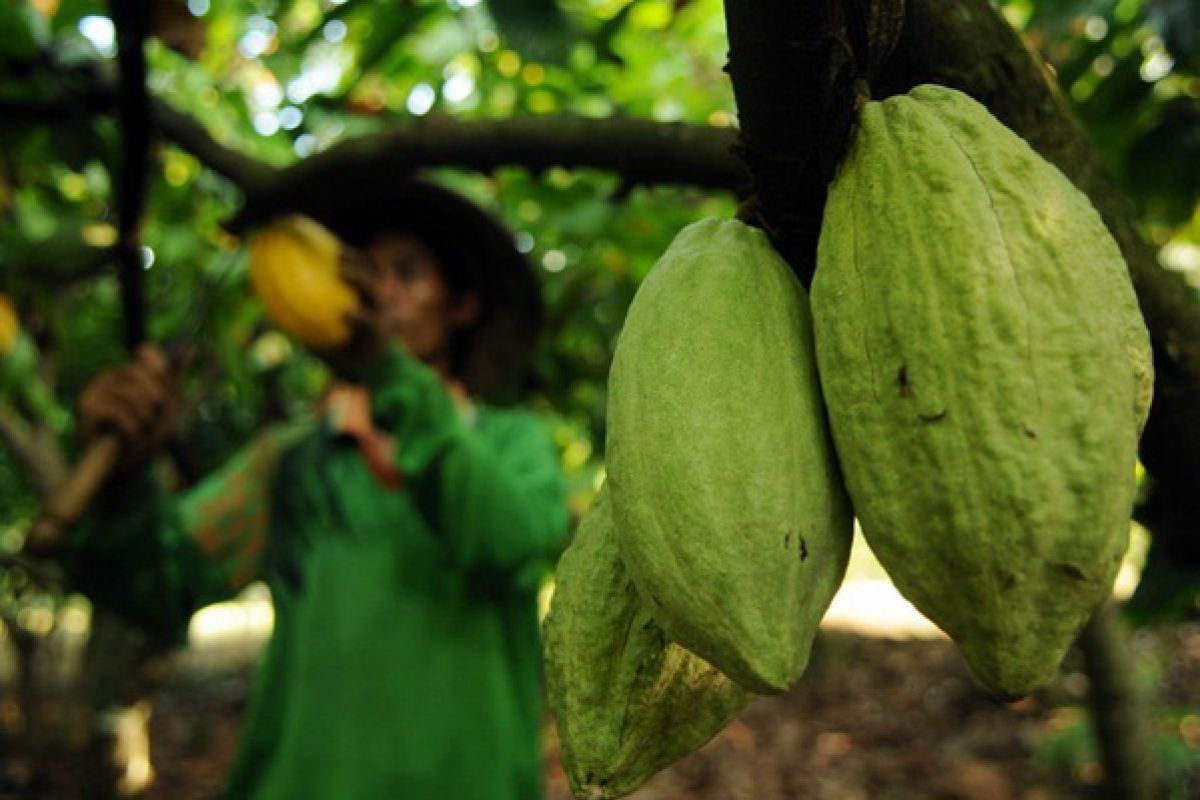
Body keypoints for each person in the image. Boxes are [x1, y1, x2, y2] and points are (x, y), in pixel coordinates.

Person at [65, 179, 571, 799]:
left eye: (406, 274)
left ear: (461, 306)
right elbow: (156, 586)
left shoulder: (511, 441)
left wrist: (391, 374)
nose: (378, 293)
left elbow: (506, 541)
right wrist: (123, 486)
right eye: (365, 273)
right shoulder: (295, 460)